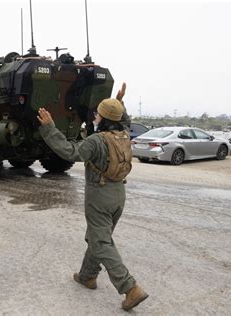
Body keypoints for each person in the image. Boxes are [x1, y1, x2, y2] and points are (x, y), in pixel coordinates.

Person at [37, 83, 148, 312]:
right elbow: (124, 120)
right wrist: (119, 103)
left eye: (98, 114)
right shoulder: (124, 134)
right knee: (99, 238)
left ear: (104, 119)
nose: (95, 117)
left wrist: (49, 127)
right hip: (118, 196)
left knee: (101, 242)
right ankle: (87, 276)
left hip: (99, 195)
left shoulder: (97, 141)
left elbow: (69, 151)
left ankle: (130, 288)